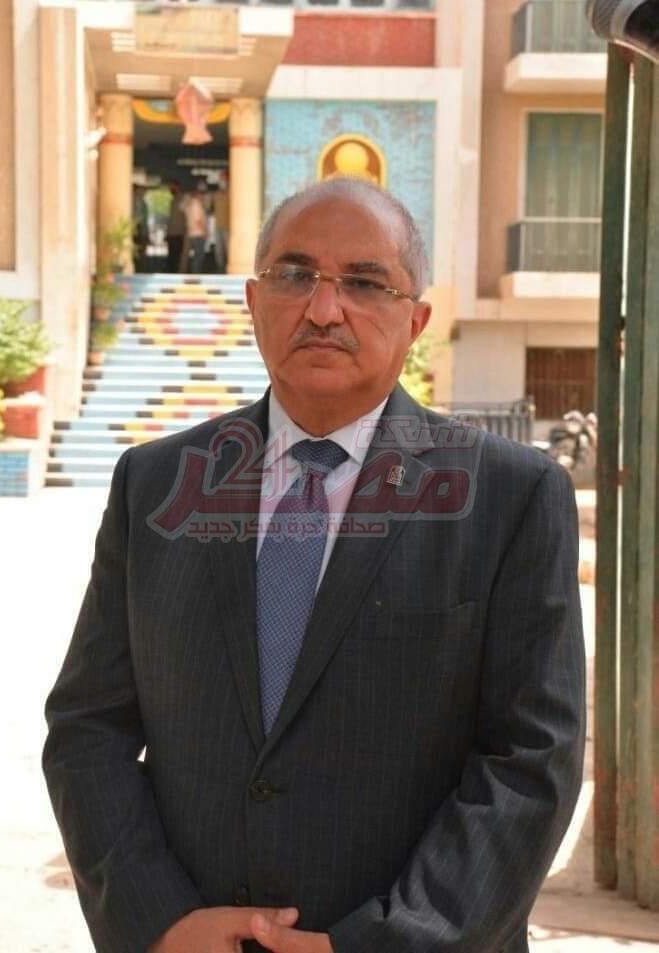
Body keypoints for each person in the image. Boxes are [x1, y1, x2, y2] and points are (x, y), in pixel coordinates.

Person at [43, 178, 585, 953]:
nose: (323, 309)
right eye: (295, 275)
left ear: (415, 320)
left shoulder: (510, 496)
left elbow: (530, 759)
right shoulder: (157, 484)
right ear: (253, 300)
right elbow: (87, 726)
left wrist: (382, 943)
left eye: (363, 283)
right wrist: (156, 922)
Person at [165, 183, 187, 274]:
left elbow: (184, 216)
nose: (170, 190)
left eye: (172, 188)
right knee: (172, 255)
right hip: (173, 233)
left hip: (178, 233)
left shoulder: (182, 200)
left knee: (176, 255)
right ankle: (172, 271)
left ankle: (174, 271)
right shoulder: (173, 201)